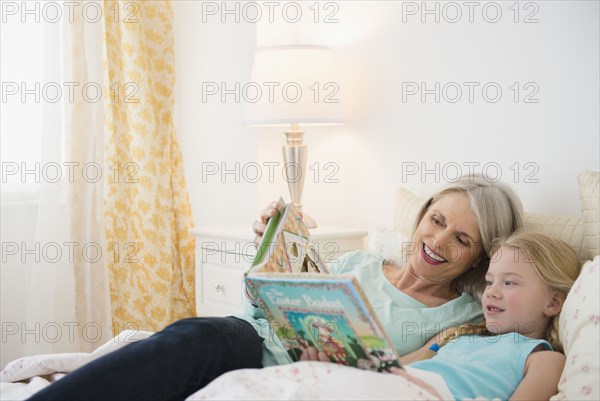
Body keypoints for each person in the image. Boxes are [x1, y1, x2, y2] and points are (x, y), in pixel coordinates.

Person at [27, 174, 523, 401]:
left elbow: (411, 380)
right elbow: (264, 306)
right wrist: (268, 250)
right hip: (249, 342)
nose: (436, 240)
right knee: (196, 337)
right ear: (421, 216)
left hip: (303, 383)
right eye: (435, 220)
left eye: (460, 239)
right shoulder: (360, 261)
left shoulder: (461, 319)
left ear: (479, 256)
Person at [191, 231, 581, 401]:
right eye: (491, 281)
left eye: (510, 284)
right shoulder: (461, 335)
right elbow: (389, 369)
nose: (492, 291)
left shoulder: (545, 357)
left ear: (554, 303)